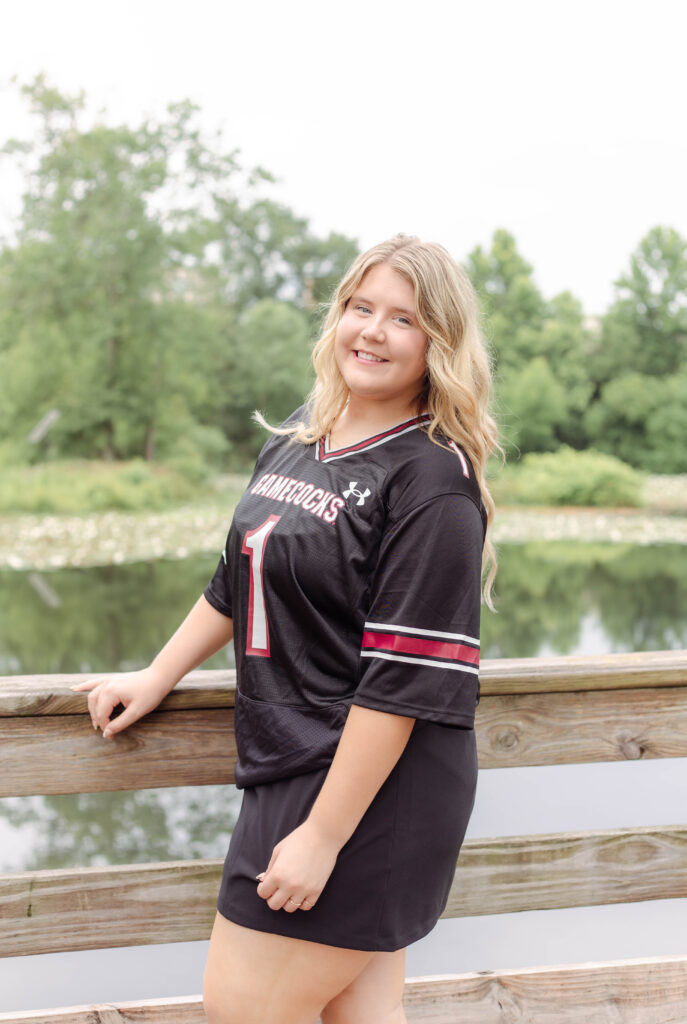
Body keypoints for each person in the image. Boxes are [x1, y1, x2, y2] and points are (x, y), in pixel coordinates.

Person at [72, 234, 499, 1024]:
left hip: (369, 790)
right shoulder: (301, 438)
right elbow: (237, 579)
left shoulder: (431, 479)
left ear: (438, 344)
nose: (370, 331)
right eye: (358, 307)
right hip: (288, 763)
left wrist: (323, 837)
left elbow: (399, 682)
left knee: (242, 1009)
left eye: (401, 319)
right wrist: (155, 676)